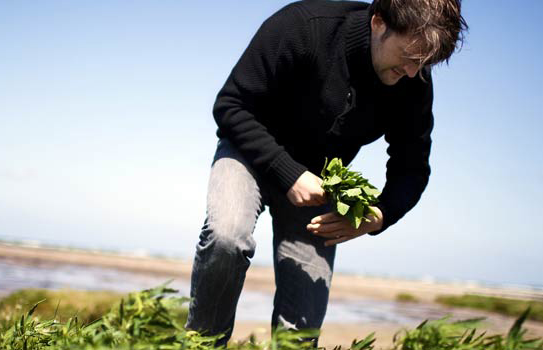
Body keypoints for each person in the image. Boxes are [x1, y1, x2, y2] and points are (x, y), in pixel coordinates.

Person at [186, 0, 467, 345]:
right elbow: (231, 105)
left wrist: (378, 215)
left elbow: (412, 168)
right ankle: (200, 344)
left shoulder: (414, 80)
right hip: (249, 153)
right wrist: (287, 173)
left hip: (319, 182)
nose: (412, 73)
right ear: (379, 22)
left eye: (424, 63)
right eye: (409, 56)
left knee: (301, 329)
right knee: (227, 238)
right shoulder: (305, 26)